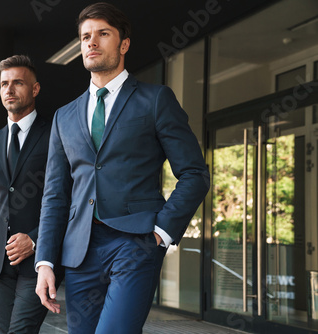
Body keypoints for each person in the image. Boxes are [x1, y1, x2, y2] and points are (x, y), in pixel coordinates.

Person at [35, 3, 210, 333]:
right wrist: (45, 261)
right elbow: (55, 194)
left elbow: (194, 173)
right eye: (86, 36)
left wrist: (161, 232)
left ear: (124, 44)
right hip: (79, 252)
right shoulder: (64, 116)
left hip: (136, 243)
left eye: (103, 34)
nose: (92, 42)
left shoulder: (155, 100)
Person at [0, 55, 59, 334]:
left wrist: (35, 237)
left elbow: (68, 197)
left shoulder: (56, 133)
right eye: (4, 83)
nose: (9, 89)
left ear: (35, 88)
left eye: (18, 82)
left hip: (39, 260)